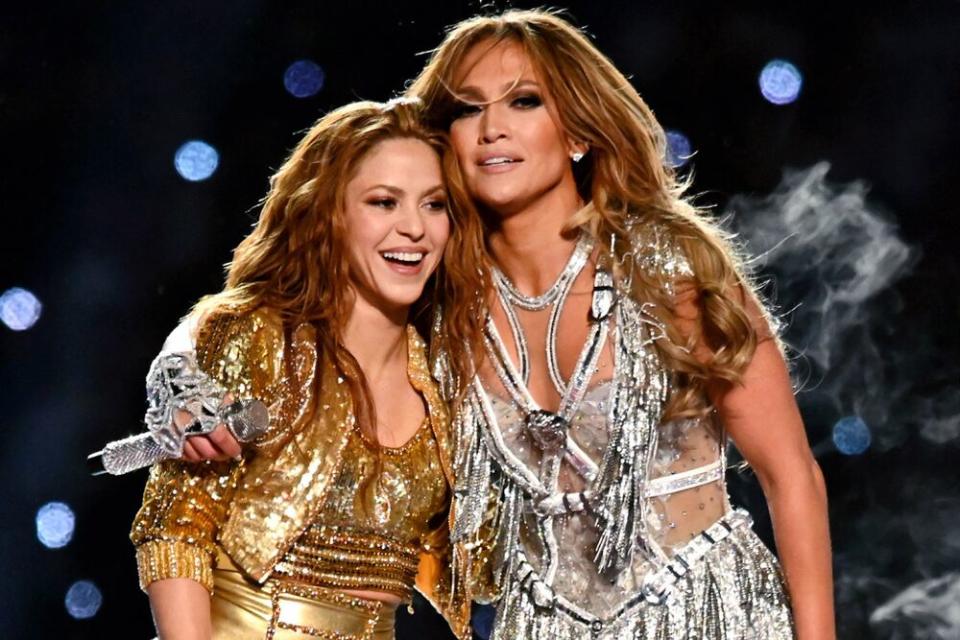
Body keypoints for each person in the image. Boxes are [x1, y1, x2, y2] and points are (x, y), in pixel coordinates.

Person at [401, 9, 835, 640]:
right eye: (467, 110)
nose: (492, 128)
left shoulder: (668, 272)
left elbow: (791, 473)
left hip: (710, 617)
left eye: (523, 101)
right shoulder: (439, 306)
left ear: (577, 133)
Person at [129, 98, 485, 640]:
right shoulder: (262, 337)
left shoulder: (448, 377)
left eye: (434, 205)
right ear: (330, 212)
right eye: (384, 202)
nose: (414, 228)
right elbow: (175, 526)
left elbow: (480, 566)